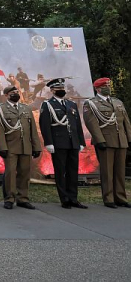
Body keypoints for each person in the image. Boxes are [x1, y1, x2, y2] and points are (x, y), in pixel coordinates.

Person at [39, 78, 86, 209]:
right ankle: (64, 198)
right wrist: (49, 143)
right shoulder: (48, 105)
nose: (62, 90)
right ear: (52, 90)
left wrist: (81, 141)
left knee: (73, 171)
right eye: (59, 89)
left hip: (73, 143)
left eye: (62, 88)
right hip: (58, 142)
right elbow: (45, 125)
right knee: (61, 171)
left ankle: (73, 198)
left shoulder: (71, 105)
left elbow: (77, 125)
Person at [83, 77, 131, 208]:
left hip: (121, 140)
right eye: (105, 86)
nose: (108, 88)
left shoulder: (117, 102)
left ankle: (121, 197)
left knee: (120, 171)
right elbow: (91, 123)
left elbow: (126, 121)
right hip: (106, 141)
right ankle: (109, 198)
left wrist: (129, 138)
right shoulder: (91, 103)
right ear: (98, 88)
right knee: (107, 171)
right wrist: (100, 140)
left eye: (109, 85)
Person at [0, 86, 41, 210]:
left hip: (26, 146)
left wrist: (36, 146)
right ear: (6, 95)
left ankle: (23, 198)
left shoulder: (25, 108)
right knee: (10, 173)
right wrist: (2, 147)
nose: (15, 94)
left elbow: (33, 130)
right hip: (10, 146)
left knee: (24, 173)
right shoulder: (1, 109)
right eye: (12, 93)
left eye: (16, 92)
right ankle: (9, 198)